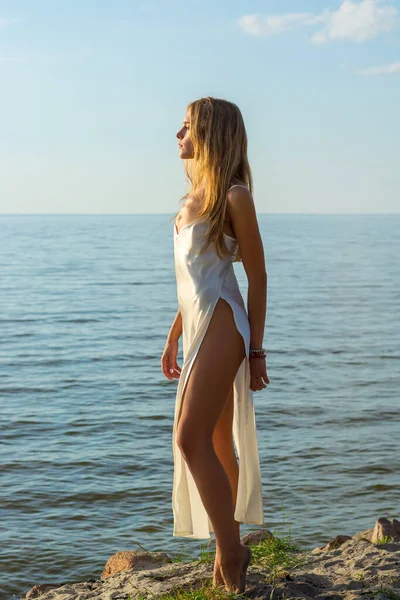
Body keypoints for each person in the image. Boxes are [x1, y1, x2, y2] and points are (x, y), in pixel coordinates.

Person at [161, 96, 269, 594]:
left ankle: (230, 550)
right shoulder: (192, 197)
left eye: (185, 128)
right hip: (197, 322)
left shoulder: (234, 194)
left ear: (208, 133)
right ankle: (231, 547)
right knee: (217, 442)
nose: (177, 136)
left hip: (224, 324)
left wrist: (257, 349)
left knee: (189, 439)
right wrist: (172, 338)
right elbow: (193, 281)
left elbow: (257, 274)